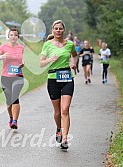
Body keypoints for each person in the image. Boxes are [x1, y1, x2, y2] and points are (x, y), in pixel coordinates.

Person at [39, 20, 77, 150]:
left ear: (64, 30)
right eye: (56, 28)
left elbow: (74, 56)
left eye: (60, 28)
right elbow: (41, 63)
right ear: (53, 30)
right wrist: (50, 59)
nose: (58, 30)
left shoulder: (70, 44)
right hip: (53, 79)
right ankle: (58, 128)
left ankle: (65, 138)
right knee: (57, 112)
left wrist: (74, 64)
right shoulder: (47, 45)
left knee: (65, 109)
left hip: (67, 77)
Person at [0, 27, 25, 129]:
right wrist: (2, 57)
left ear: (18, 36)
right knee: (9, 100)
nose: (13, 37)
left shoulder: (21, 48)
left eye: (15, 35)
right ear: (8, 36)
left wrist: (23, 63)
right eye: (11, 35)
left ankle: (15, 121)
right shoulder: (3, 47)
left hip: (18, 76)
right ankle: (11, 117)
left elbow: (21, 60)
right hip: (5, 77)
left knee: (15, 98)